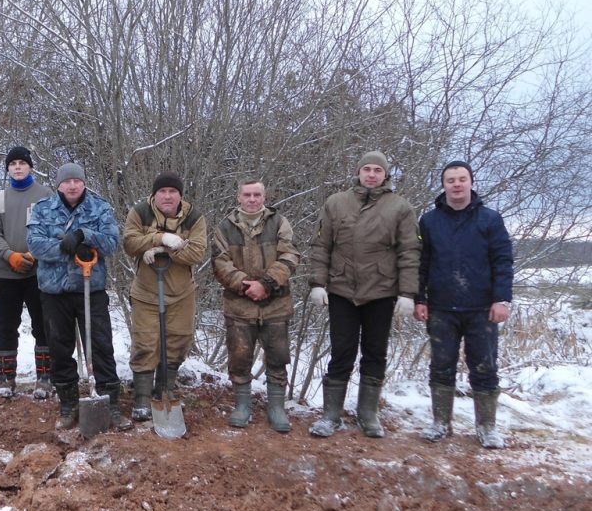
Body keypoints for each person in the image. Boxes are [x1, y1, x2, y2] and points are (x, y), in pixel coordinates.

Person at [308, 150, 420, 438]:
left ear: (386, 175)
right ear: (358, 172)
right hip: (342, 289)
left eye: (377, 170)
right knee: (341, 352)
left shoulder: (400, 208)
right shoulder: (336, 203)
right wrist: (318, 284)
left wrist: (408, 293)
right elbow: (321, 246)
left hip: (381, 292)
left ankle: (368, 414)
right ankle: (331, 414)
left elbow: (409, 252)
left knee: (375, 352)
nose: (371, 174)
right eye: (367, 169)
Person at [415, 160, 513, 448]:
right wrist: (420, 298)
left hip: (481, 309)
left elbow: (503, 261)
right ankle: (440, 423)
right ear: (443, 185)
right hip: (442, 308)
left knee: (484, 368)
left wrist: (501, 298)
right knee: (441, 366)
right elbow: (422, 263)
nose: (456, 185)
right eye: (450, 180)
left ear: (471, 182)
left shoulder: (490, 219)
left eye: (461, 179)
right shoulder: (429, 221)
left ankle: (486, 427)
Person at [27, 163, 132, 432]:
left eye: (77, 181)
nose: (72, 185)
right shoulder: (42, 209)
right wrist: (65, 246)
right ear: (59, 184)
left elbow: (111, 242)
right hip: (54, 291)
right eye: (67, 181)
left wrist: (85, 235)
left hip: (91, 288)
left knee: (101, 346)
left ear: (83, 183)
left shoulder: (100, 208)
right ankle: (68, 403)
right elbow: (35, 245)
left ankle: (110, 404)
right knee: (60, 348)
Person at [212, 179, 299, 430]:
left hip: (275, 305)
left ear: (264, 197)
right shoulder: (224, 227)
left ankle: (276, 407)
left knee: (278, 357)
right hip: (239, 306)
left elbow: (290, 255)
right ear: (238, 197)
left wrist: (267, 284)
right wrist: (246, 285)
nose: (252, 199)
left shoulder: (279, 223)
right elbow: (220, 263)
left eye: (257, 195)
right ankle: (242, 406)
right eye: (247, 195)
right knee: (239, 358)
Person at [121, 171, 207, 421]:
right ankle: (142, 398)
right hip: (147, 292)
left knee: (177, 341)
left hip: (182, 293)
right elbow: (129, 243)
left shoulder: (194, 218)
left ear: (180, 195)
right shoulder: (140, 212)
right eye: (162, 192)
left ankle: (165, 390)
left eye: (173, 192)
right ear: (154, 194)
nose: (167, 196)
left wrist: (162, 250)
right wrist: (160, 237)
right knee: (145, 343)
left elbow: (196, 253)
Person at [0, 146, 54, 399]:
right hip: (6, 274)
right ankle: (5, 377)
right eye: (12, 163)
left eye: (21, 163)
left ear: (30, 166)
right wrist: (10, 256)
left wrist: (34, 254)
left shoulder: (45, 195)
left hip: (39, 272)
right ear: (7, 168)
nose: (17, 167)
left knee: (42, 325)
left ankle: (45, 377)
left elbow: (52, 228)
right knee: (6, 326)